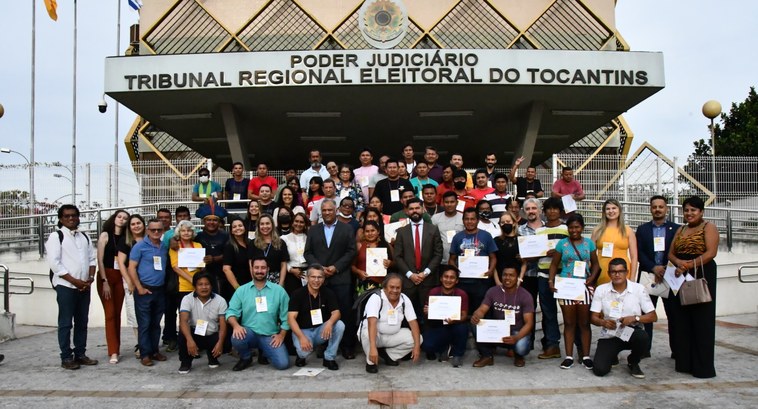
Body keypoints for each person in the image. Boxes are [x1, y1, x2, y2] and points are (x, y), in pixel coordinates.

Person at [667, 195, 719, 378]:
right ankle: (684, 363)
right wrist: (680, 263)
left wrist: (689, 265)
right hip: (680, 275)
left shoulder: (708, 227)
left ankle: (702, 366)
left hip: (701, 273)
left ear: (701, 211)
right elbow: (671, 253)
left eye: (693, 210)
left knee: (701, 321)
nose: (689, 213)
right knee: (681, 321)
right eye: (686, 210)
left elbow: (711, 252)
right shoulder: (680, 229)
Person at [46, 204, 98, 370]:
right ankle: (66, 357)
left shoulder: (84, 237)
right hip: (66, 286)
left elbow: (92, 259)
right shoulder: (56, 236)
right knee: (66, 323)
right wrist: (75, 281)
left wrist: (89, 279)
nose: (71, 218)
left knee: (82, 322)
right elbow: (55, 263)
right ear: (61, 219)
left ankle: (80, 354)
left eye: (74, 215)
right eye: (67, 216)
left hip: (84, 287)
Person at [304, 198, 357, 359]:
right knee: (322, 312)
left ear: (336, 211)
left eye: (330, 210)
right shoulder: (313, 230)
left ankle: (347, 346)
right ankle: (323, 344)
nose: (327, 213)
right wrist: (319, 269)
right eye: (324, 210)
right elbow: (308, 253)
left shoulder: (347, 229)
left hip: (341, 277)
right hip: (320, 281)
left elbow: (351, 251)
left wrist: (336, 267)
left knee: (345, 312)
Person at [549, 213, 600, 370]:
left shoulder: (589, 244)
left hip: (583, 285)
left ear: (582, 228)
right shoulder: (562, 244)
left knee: (584, 323)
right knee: (569, 323)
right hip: (566, 286)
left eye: (577, 227)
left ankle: (585, 356)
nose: (574, 230)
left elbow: (596, 264)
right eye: (571, 227)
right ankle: (569, 356)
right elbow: (553, 265)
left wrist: (591, 278)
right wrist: (551, 281)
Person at [590, 258, 657, 379]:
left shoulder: (638, 289)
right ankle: (612, 355)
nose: (617, 274)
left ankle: (633, 361)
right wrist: (603, 322)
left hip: (630, 331)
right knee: (600, 370)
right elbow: (593, 318)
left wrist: (635, 318)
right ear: (608, 273)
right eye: (613, 272)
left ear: (627, 272)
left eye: (620, 271)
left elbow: (653, 316)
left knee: (643, 337)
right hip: (610, 334)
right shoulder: (601, 290)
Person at [226, 257, 291, 371]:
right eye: (256, 267)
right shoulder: (242, 290)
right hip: (249, 333)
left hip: (269, 335)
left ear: (268, 269)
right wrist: (236, 326)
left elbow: (287, 316)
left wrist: (281, 335)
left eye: (263, 268)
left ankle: (264, 352)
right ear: (251, 269)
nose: (259, 271)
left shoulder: (279, 291)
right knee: (236, 338)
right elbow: (231, 312)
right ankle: (246, 357)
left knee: (283, 364)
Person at [635, 195, 679, 356]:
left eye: (661, 206)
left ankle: (676, 351)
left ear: (666, 209)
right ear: (650, 209)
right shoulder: (642, 229)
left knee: (674, 316)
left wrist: (665, 268)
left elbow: (677, 252)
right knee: (646, 315)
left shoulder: (676, 229)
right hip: (648, 276)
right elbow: (639, 253)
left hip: (670, 277)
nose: (658, 209)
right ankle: (644, 350)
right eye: (654, 207)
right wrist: (654, 268)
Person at [518, 198, 560, 359]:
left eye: (534, 208)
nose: (531, 211)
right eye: (527, 209)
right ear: (524, 211)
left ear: (540, 210)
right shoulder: (520, 230)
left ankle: (551, 343)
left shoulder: (548, 229)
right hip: (528, 275)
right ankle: (527, 342)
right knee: (527, 310)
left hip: (545, 275)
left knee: (548, 310)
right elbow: (521, 254)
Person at [471, 267, 535, 368]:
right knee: (475, 324)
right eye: (505, 275)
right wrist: (477, 315)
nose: (507, 278)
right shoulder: (493, 291)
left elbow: (529, 323)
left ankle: (518, 356)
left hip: (516, 331)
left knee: (521, 348)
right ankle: (487, 356)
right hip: (498, 330)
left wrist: (516, 338)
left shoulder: (525, 295)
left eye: (511, 275)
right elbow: (482, 309)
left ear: (517, 277)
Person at [359, 274, 422, 373]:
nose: (395, 290)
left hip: (392, 335)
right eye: (391, 287)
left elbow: (413, 323)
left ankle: (390, 356)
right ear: (384, 287)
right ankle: (371, 362)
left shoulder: (404, 299)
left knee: (418, 339)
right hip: (375, 335)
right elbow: (372, 323)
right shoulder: (376, 298)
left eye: (398, 288)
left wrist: (417, 347)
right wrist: (373, 348)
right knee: (367, 333)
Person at [127, 218, 169, 367]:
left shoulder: (164, 246)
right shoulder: (139, 247)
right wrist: (139, 287)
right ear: (147, 230)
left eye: (159, 229)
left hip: (160, 290)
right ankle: (145, 354)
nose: (156, 232)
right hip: (144, 289)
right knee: (144, 324)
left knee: (156, 323)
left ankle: (154, 351)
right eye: (153, 230)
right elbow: (131, 267)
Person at [393, 197, 444, 319]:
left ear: (423, 209)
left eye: (417, 208)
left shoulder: (433, 229)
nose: (414, 211)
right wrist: (410, 274)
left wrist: (424, 273)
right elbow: (397, 257)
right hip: (407, 281)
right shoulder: (401, 232)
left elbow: (438, 254)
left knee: (429, 316)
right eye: (411, 209)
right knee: (406, 316)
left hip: (428, 280)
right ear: (407, 211)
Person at [287, 264, 345, 370]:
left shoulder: (328, 293)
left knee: (339, 325)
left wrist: (330, 323)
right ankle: (301, 356)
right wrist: (301, 337)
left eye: (320, 277)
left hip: (320, 331)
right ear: (307, 278)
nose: (316, 280)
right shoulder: (297, 294)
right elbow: (291, 319)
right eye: (313, 277)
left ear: (323, 279)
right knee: (304, 352)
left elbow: (337, 313)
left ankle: (329, 358)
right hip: (303, 331)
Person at [448, 207, 498, 314]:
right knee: (463, 311)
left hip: (481, 282)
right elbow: (451, 260)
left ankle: (478, 331)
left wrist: (491, 270)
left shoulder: (486, 236)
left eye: (472, 219)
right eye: (467, 219)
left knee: (481, 311)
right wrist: (456, 270)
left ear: (478, 220)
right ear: (463, 220)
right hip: (463, 281)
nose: (469, 222)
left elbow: (493, 257)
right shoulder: (457, 237)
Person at [177, 272, 228, 374]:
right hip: (194, 333)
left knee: (225, 336)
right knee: (183, 333)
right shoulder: (187, 299)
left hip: (212, 333)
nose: (204, 287)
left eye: (207, 284)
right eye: (200, 284)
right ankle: (185, 362)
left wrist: (220, 343)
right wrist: (190, 341)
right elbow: (183, 321)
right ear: (195, 286)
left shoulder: (220, 300)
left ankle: (213, 357)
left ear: (211, 285)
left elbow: (223, 325)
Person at [96, 209, 129, 364]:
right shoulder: (105, 235)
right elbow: (100, 260)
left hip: (120, 277)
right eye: (119, 216)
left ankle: (116, 347)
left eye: (125, 218)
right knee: (109, 314)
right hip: (107, 277)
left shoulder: (126, 238)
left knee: (117, 314)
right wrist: (104, 281)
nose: (121, 220)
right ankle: (113, 351)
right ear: (114, 218)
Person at [422, 265, 469, 367]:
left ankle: (457, 354)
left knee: (463, 327)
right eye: (446, 277)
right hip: (438, 325)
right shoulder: (433, 292)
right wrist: (427, 312)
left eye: (452, 277)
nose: (448, 280)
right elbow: (427, 314)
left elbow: (464, 316)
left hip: (455, 325)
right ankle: (445, 348)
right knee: (427, 346)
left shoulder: (462, 294)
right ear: (441, 278)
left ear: (456, 281)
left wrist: (455, 320)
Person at [117, 214, 145, 358]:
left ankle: (149, 344)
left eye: (138, 223)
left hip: (149, 282)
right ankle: (141, 345)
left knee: (149, 316)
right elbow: (121, 263)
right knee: (135, 315)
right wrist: (129, 281)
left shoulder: (150, 240)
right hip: (132, 283)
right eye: (133, 224)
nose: (136, 226)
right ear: (129, 227)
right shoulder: (125, 242)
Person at [592, 199, 638, 285]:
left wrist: (632, 278)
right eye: (608, 209)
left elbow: (634, 257)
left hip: (622, 273)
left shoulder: (628, 230)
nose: (611, 211)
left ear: (619, 210)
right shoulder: (597, 230)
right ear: (604, 212)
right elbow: (590, 255)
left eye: (614, 208)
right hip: (601, 273)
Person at [169, 220, 204, 313]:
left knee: (198, 314)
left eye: (189, 230)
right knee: (185, 315)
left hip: (198, 286)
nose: (186, 233)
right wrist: (193, 280)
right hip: (182, 287)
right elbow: (175, 267)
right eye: (183, 231)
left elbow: (201, 267)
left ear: (193, 232)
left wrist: (204, 263)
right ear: (179, 232)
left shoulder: (198, 245)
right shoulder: (175, 246)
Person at [352, 220, 394, 295]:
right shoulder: (359, 246)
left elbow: (396, 262)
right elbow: (352, 266)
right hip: (363, 283)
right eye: (367, 231)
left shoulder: (385, 245)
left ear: (378, 231)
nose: (370, 233)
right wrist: (359, 272)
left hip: (383, 284)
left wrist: (390, 263)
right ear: (364, 233)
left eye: (372, 230)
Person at [249, 214, 290, 289]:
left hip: (276, 280)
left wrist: (281, 284)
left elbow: (283, 265)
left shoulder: (281, 243)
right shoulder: (253, 243)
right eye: (262, 224)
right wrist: (254, 281)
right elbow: (250, 264)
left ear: (272, 225)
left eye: (267, 223)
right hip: (258, 278)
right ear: (258, 226)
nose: (265, 226)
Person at [195, 213, 229, 294]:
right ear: (204, 221)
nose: (211, 222)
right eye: (209, 220)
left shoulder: (226, 235)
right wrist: (174, 240)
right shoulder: (198, 236)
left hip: (222, 275)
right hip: (203, 275)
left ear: (219, 222)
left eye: (215, 220)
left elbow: (229, 254)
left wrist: (214, 259)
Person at [222, 217, 252, 302]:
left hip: (250, 284)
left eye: (240, 225)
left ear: (245, 228)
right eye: (234, 227)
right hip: (235, 286)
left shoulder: (250, 243)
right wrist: (237, 288)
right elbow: (226, 269)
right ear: (231, 231)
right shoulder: (229, 246)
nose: (238, 228)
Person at [431, 191, 464, 264]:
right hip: (441, 260)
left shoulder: (463, 218)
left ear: (457, 203)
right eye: (447, 202)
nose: (449, 205)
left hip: (460, 260)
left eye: (452, 202)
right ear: (443, 203)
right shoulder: (435, 218)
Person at [281, 212, 310, 289]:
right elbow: (282, 259)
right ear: (292, 223)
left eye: (301, 222)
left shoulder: (309, 238)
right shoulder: (284, 238)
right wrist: (291, 270)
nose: (298, 224)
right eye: (296, 221)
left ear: (305, 224)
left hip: (307, 274)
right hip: (291, 274)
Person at [494, 212, 520, 288]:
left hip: (518, 279)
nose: (505, 224)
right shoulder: (496, 240)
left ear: (514, 223)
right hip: (499, 278)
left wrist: (520, 279)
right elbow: (493, 262)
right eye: (502, 222)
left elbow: (525, 263)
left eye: (508, 222)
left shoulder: (521, 240)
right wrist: (497, 281)